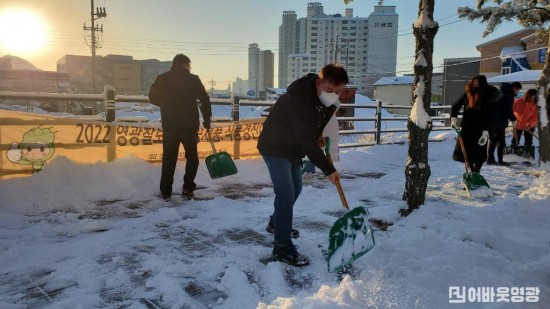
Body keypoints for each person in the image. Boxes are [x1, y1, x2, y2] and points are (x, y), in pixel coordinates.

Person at [257, 64, 348, 266]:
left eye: (339, 91)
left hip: (293, 148)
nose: (333, 95)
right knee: (285, 193)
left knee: (295, 189)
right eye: (330, 90)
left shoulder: (325, 102)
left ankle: (276, 223)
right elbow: (304, 138)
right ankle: (281, 248)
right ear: (318, 82)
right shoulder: (299, 99)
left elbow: (310, 130)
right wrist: (328, 169)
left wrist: (317, 138)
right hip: (274, 146)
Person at [148, 54, 212, 201]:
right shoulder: (193, 79)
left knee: (169, 159)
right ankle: (187, 189)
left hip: (170, 125)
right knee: (192, 158)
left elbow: (151, 97)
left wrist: (166, 104)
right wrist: (207, 120)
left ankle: (165, 192)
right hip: (189, 126)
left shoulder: (163, 78)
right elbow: (204, 99)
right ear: (185, 64)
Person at [451, 75, 499, 173]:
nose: (475, 85)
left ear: (483, 84)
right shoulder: (468, 93)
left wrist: (486, 132)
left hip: (481, 129)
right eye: (474, 82)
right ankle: (470, 174)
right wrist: (453, 119)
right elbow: (455, 106)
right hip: (467, 128)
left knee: (479, 155)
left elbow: (492, 115)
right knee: (466, 154)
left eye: (477, 83)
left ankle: (476, 172)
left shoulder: (489, 95)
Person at [487, 82, 519, 166]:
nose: (517, 92)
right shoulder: (508, 96)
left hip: (490, 121)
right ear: (514, 88)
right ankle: (500, 160)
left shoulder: (497, 93)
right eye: (518, 90)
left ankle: (490, 159)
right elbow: (507, 110)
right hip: (499, 122)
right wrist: (513, 119)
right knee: (501, 142)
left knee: (493, 140)